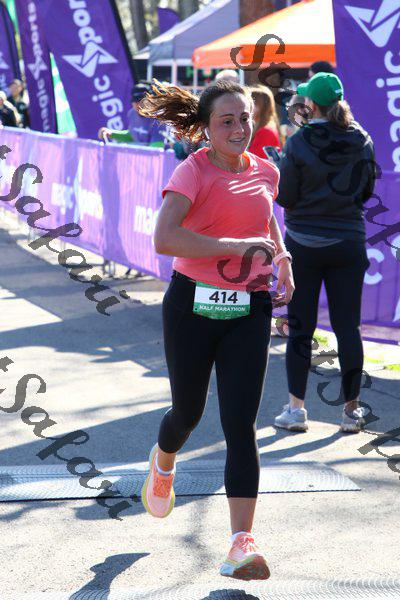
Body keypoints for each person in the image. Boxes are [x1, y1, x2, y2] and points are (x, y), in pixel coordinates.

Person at [137, 78, 294, 580]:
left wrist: (282, 257)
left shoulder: (266, 170)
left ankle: (240, 544)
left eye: (245, 118)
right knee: (188, 411)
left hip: (250, 305)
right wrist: (233, 246)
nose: (239, 128)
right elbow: (165, 238)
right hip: (192, 304)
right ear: (206, 129)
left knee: (240, 424)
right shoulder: (193, 171)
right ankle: (164, 460)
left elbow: (264, 220)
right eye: (227, 121)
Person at [274, 72, 376, 434]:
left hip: (304, 244)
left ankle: (296, 410)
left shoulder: (299, 141)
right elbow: (366, 192)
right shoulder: (361, 138)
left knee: (301, 329)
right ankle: (351, 412)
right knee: (348, 328)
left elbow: (285, 196)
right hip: (348, 242)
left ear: (310, 105)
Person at [98, 83, 165, 147]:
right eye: (135, 101)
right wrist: (112, 134)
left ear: (149, 101)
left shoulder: (157, 119)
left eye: (142, 100)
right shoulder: (132, 113)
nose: (138, 104)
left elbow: (157, 148)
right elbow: (133, 135)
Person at [248, 85, 281, 159]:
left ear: (261, 107)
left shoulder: (265, 132)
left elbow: (254, 160)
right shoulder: (264, 129)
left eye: (250, 104)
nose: (247, 107)